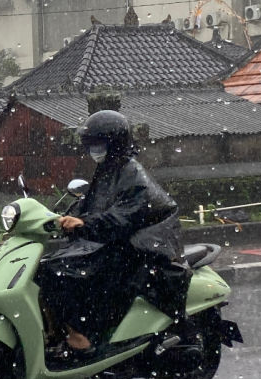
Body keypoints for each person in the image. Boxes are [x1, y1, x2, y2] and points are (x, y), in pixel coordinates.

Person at [37, 110, 190, 355]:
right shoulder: (109, 169)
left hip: (142, 248)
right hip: (120, 242)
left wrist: (84, 224)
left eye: (97, 144)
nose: (92, 150)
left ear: (114, 144)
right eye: (90, 144)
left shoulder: (133, 174)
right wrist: (61, 218)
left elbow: (122, 217)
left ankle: (81, 336)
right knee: (46, 267)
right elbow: (91, 204)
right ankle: (56, 330)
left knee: (63, 274)